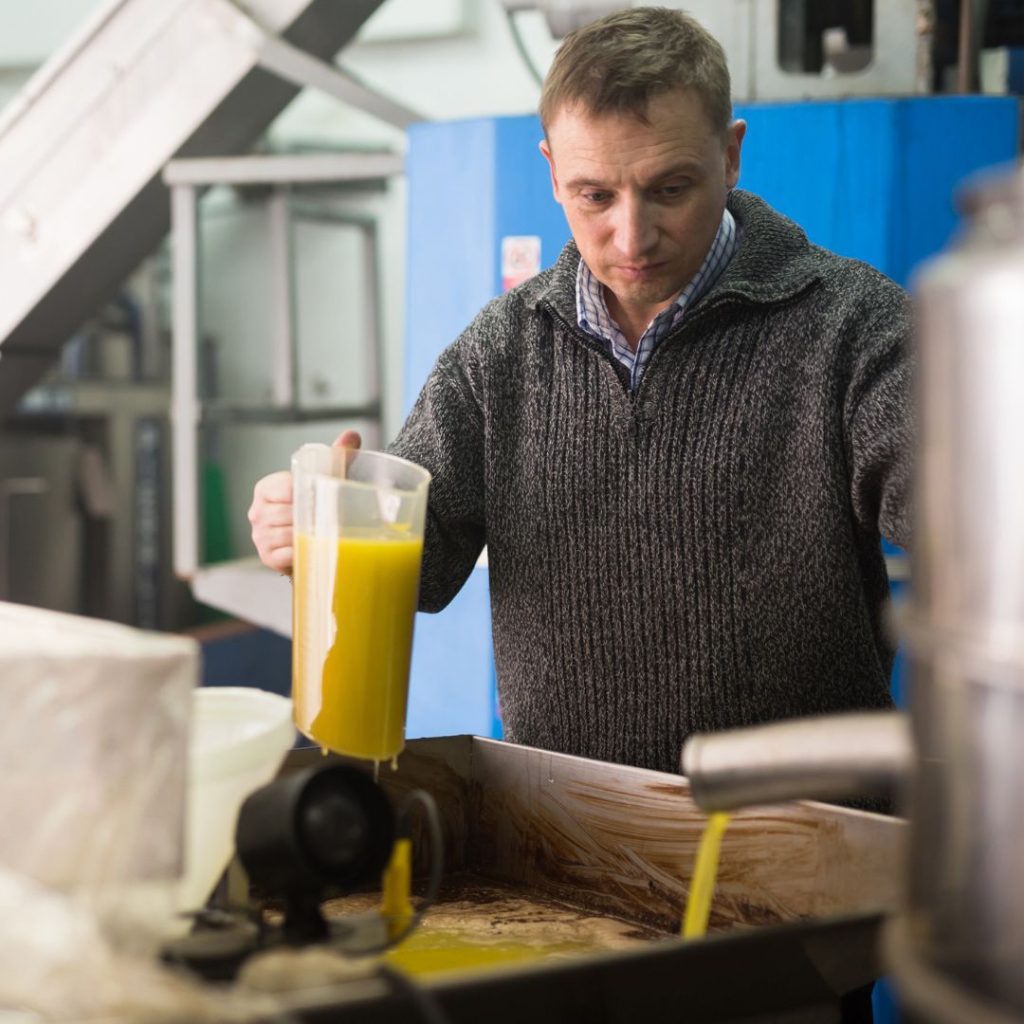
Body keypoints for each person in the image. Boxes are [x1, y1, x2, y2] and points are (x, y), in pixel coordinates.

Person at [250, 7, 911, 781]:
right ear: (551, 171)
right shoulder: (498, 354)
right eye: (595, 196)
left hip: (810, 833)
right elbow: (421, 568)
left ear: (730, 155)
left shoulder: (853, 326)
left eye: (669, 189)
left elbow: (964, 515)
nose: (632, 238)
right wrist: (317, 523)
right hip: (568, 839)